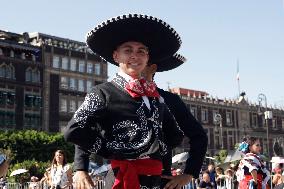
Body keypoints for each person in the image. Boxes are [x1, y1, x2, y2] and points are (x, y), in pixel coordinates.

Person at [64, 13, 184, 189]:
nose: (135, 56)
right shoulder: (102, 93)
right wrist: (110, 152)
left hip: (157, 181)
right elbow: (74, 130)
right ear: (116, 56)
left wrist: (159, 155)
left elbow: (175, 135)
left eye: (141, 51)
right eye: (128, 50)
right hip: (122, 178)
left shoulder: (155, 97)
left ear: (147, 57)